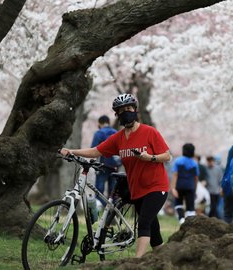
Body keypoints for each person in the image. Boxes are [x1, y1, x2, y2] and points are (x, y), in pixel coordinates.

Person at [60, 93, 171, 258]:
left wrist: (150, 158)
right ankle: (165, 261)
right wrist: (72, 151)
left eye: (129, 108)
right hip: (137, 189)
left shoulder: (149, 132)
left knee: (144, 223)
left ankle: (136, 262)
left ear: (135, 110)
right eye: (121, 110)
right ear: (117, 114)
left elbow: (167, 155)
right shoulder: (118, 138)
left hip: (156, 187)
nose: (126, 112)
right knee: (153, 233)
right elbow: (96, 151)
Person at [91, 115, 120, 203]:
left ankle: (104, 207)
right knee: (113, 192)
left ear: (100, 123)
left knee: (99, 191)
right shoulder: (116, 133)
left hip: (102, 165)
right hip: (115, 165)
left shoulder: (99, 133)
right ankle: (112, 212)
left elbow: (93, 150)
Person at [170, 143, 199, 224]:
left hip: (179, 186)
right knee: (190, 206)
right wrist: (195, 190)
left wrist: (173, 188)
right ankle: (191, 223)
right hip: (190, 186)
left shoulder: (178, 161)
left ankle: (181, 219)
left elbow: (175, 175)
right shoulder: (194, 163)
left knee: (178, 203)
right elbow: (196, 178)